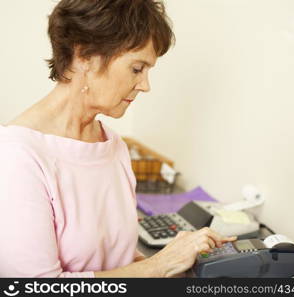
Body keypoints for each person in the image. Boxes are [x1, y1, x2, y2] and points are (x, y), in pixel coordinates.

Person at [0, 0, 236, 278]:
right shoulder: (18, 156)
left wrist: (180, 264)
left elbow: (117, 263)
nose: (145, 86)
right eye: (137, 69)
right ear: (85, 55)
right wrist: (159, 265)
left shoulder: (112, 146)